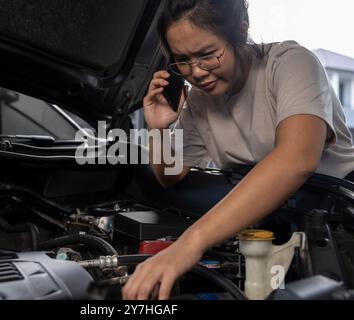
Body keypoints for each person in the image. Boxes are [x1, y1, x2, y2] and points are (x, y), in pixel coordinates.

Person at [122, 0, 354, 300]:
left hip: (336, 225)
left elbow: (297, 160)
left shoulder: (291, 63)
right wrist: (160, 129)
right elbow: (170, 176)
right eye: (182, 60)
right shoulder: (198, 101)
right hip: (263, 223)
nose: (196, 72)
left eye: (207, 54)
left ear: (240, 32)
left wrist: (189, 245)